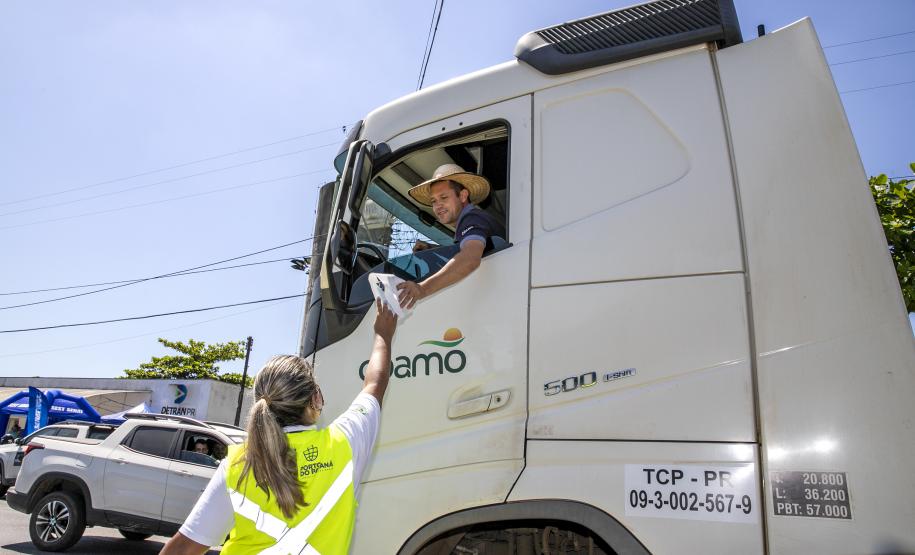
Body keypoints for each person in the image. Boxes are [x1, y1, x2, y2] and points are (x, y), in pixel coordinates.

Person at [160, 299, 398, 555]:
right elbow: (375, 383)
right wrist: (383, 333)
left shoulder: (240, 463)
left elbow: (183, 548)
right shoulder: (345, 443)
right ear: (315, 399)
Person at [397, 163, 506, 309]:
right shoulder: (473, 221)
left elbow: (470, 258)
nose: (438, 206)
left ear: (462, 196)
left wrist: (422, 289)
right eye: (434, 201)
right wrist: (433, 249)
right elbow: (467, 251)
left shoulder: (472, 219)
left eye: (443, 197)